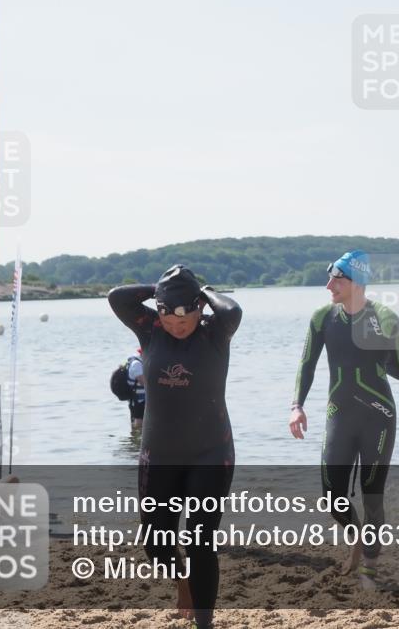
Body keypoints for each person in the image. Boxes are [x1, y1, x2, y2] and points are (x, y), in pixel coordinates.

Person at [288, 251, 399, 589]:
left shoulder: (383, 317)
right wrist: (296, 405)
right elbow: (306, 364)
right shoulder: (323, 317)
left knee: (372, 495)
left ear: (356, 282)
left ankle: (369, 566)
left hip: (378, 417)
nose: (328, 286)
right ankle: (358, 538)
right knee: (331, 494)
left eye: (336, 280)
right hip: (339, 414)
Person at [108, 265, 242, 629]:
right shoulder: (149, 329)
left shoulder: (216, 332)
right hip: (159, 455)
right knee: (156, 546)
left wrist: (202, 290)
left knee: (200, 542)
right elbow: (117, 296)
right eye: (169, 316)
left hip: (211, 454)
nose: (177, 325)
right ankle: (182, 582)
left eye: (186, 317)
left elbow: (232, 310)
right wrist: (162, 288)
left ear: (200, 309)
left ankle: (205, 622)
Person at [110, 350, 146, 430]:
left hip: (141, 399)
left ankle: (134, 440)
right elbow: (145, 383)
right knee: (139, 422)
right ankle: (136, 438)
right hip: (138, 400)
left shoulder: (140, 361)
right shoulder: (136, 364)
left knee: (138, 424)